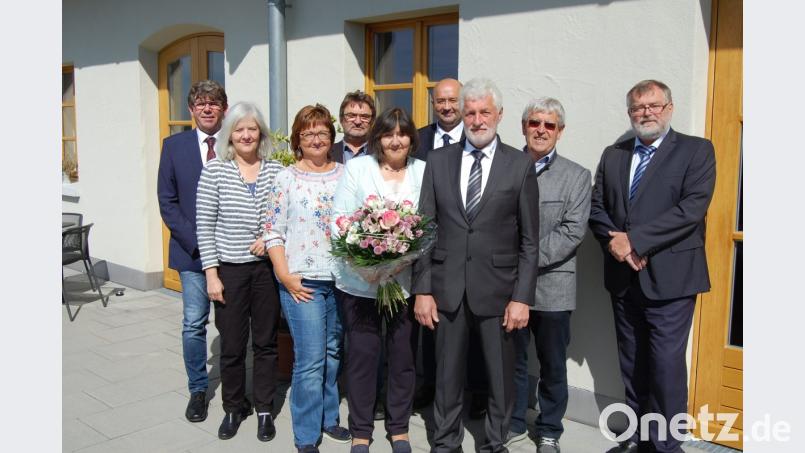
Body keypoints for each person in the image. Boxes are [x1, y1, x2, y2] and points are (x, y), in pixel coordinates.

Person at [412, 77, 540, 453]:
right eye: (471, 112)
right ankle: (446, 441)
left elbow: (530, 240)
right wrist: (422, 289)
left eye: (485, 112)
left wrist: (522, 297)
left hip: (500, 292)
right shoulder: (437, 161)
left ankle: (495, 442)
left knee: (499, 379)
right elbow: (424, 229)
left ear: (499, 115)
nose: (477, 119)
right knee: (447, 376)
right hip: (447, 288)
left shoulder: (519, 165)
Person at [589, 80, 716, 453]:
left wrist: (636, 240)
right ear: (629, 114)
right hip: (623, 278)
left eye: (654, 105)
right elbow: (597, 207)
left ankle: (666, 445)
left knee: (665, 367)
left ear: (670, 108)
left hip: (672, 280)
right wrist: (615, 242)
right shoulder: (614, 154)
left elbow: (690, 209)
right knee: (632, 364)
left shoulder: (696, 151)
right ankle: (635, 438)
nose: (646, 113)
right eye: (637, 107)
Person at [332, 107, 427, 453]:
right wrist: (365, 266)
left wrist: (400, 263)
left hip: (404, 284)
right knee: (362, 358)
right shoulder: (358, 168)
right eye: (388, 133)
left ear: (411, 139)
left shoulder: (423, 172)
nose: (395, 140)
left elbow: (429, 229)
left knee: (402, 359)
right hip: (360, 282)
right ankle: (361, 430)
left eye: (402, 134)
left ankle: (398, 428)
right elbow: (340, 221)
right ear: (378, 138)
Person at [196, 101, 284, 442]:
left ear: (259, 132)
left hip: (265, 270)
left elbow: (283, 215)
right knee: (232, 345)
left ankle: (264, 409)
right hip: (229, 271)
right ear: (229, 135)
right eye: (239, 129)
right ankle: (234, 407)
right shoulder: (214, 171)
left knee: (265, 343)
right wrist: (211, 274)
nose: (246, 135)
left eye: (251, 128)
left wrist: (269, 236)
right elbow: (204, 226)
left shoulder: (275, 170)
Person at [507, 97, 591, 453]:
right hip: (508, 288)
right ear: (524, 126)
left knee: (553, 364)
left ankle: (549, 430)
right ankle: (510, 422)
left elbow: (572, 232)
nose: (541, 130)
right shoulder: (505, 166)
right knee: (511, 360)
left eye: (549, 125)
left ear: (560, 131)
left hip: (553, 287)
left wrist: (523, 261)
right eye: (534, 123)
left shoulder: (577, 176)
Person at [264, 104, 349, 453]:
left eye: (322, 131)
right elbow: (273, 232)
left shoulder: (347, 173)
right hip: (303, 284)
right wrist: (285, 276)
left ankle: (329, 418)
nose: (316, 137)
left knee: (332, 353)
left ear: (332, 137)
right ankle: (306, 434)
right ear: (298, 139)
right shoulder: (286, 178)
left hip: (342, 282)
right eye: (308, 132)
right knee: (311, 359)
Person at [157, 79, 227, 423]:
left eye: (214, 102)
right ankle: (198, 389)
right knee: (194, 323)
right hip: (193, 254)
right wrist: (199, 241)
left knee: (232, 324)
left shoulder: (236, 143)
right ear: (191, 110)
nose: (207, 108)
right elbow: (167, 203)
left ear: (224, 109)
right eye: (201, 103)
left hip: (232, 252)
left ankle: (234, 385)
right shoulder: (173, 146)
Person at [412, 78, 465, 160]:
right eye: (441, 101)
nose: (447, 107)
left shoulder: (475, 138)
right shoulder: (416, 139)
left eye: (453, 100)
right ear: (433, 104)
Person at [331, 90, 376, 163]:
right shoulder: (326, 153)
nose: (357, 122)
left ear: (372, 120)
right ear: (341, 119)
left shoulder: (382, 154)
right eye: (351, 116)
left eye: (364, 117)